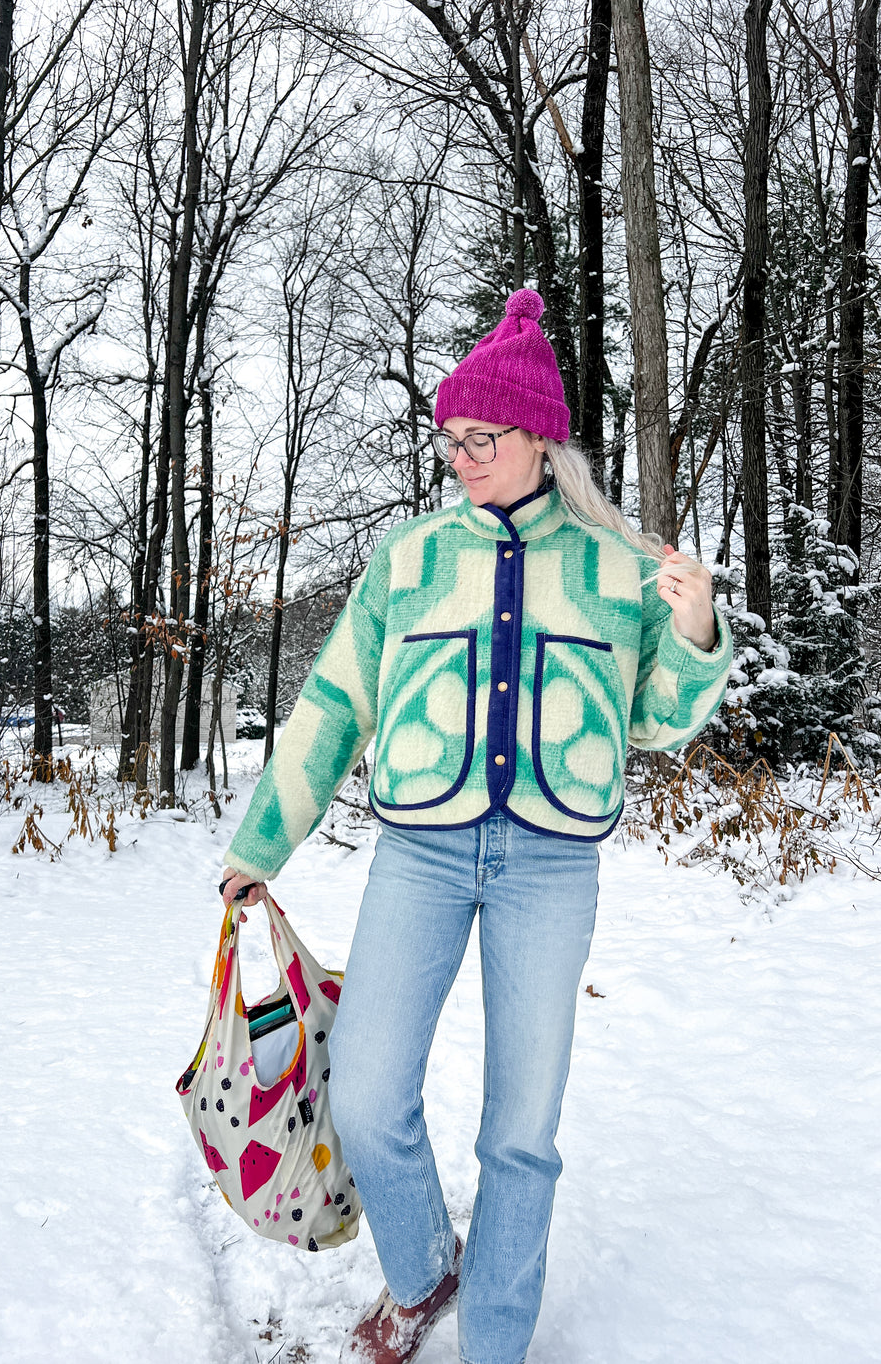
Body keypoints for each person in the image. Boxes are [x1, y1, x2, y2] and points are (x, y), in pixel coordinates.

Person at [219, 289, 733, 1364]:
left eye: (480, 439)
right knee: (364, 1093)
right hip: (421, 854)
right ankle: (423, 1273)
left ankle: (493, 1341)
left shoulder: (613, 571)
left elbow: (654, 727)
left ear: (538, 437)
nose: (459, 457)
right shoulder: (407, 561)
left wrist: (690, 634)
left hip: (551, 868)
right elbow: (333, 705)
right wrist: (261, 845)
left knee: (520, 1132)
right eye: (449, 439)